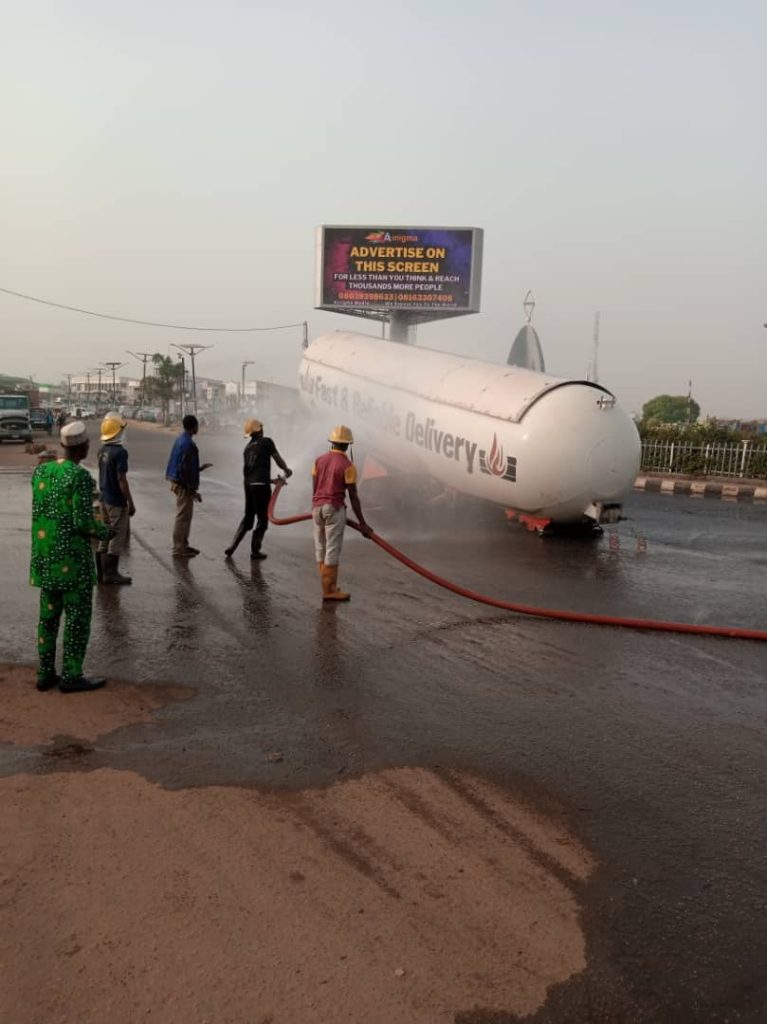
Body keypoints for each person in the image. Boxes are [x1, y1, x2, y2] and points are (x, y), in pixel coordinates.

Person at [29, 420, 113, 692]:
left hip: (45, 559)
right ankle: (71, 676)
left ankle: (45, 674)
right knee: (77, 620)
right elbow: (83, 522)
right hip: (72, 563)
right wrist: (105, 532)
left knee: (48, 618)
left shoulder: (41, 472)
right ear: (83, 446)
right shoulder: (79, 477)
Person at [312, 425, 373, 602]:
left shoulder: (319, 460)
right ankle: (329, 590)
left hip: (317, 507)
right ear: (347, 446)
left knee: (320, 547)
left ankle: (328, 586)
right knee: (332, 548)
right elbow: (353, 496)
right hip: (334, 508)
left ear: (332, 443)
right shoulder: (348, 466)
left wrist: (316, 504)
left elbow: (315, 486)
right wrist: (363, 523)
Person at [225, 418, 293, 561]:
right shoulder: (267, 442)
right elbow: (277, 459)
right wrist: (287, 469)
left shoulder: (247, 449)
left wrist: (271, 481)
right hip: (261, 486)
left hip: (248, 485)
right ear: (259, 430)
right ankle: (255, 551)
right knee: (262, 519)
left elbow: (251, 471)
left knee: (248, 518)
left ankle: (232, 546)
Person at [96, 414, 135, 584]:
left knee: (104, 534)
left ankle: (101, 573)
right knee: (116, 536)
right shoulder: (120, 452)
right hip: (116, 501)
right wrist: (130, 503)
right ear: (117, 433)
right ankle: (111, 574)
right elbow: (121, 479)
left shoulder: (102, 450)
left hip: (104, 497)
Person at [165, 414, 211, 557]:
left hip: (178, 481)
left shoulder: (181, 440)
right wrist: (192, 491)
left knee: (185, 517)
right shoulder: (188, 444)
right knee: (182, 517)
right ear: (194, 427)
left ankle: (183, 545)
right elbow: (184, 470)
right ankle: (178, 548)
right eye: (197, 425)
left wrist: (199, 468)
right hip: (183, 485)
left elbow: (184, 466)